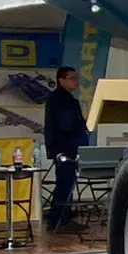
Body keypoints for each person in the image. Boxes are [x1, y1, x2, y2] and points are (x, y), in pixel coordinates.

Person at [43, 66, 90, 233]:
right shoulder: (60, 99)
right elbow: (66, 124)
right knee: (65, 183)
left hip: (69, 147)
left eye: (77, 78)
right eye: (72, 78)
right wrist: (84, 123)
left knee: (68, 182)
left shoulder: (66, 99)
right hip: (65, 147)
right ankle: (59, 219)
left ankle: (64, 216)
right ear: (61, 80)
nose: (76, 82)